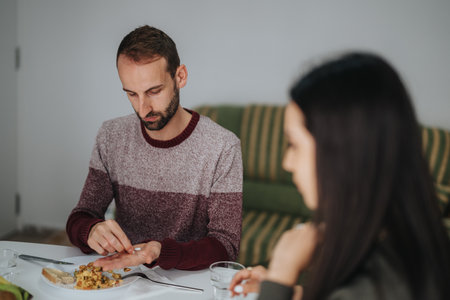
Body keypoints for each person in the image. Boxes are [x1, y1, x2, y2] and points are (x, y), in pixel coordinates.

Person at [230, 53, 450, 299]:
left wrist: (281, 274)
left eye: (294, 144)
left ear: (341, 152)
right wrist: (289, 291)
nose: (287, 163)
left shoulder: (377, 286)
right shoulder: (404, 246)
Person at [66, 25, 243, 271]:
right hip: (124, 277)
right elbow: (80, 217)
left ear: (180, 77)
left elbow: (226, 246)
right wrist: (91, 230)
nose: (143, 108)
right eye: (131, 94)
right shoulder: (111, 136)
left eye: (154, 91)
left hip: (187, 283)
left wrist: (160, 251)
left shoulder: (223, 147)